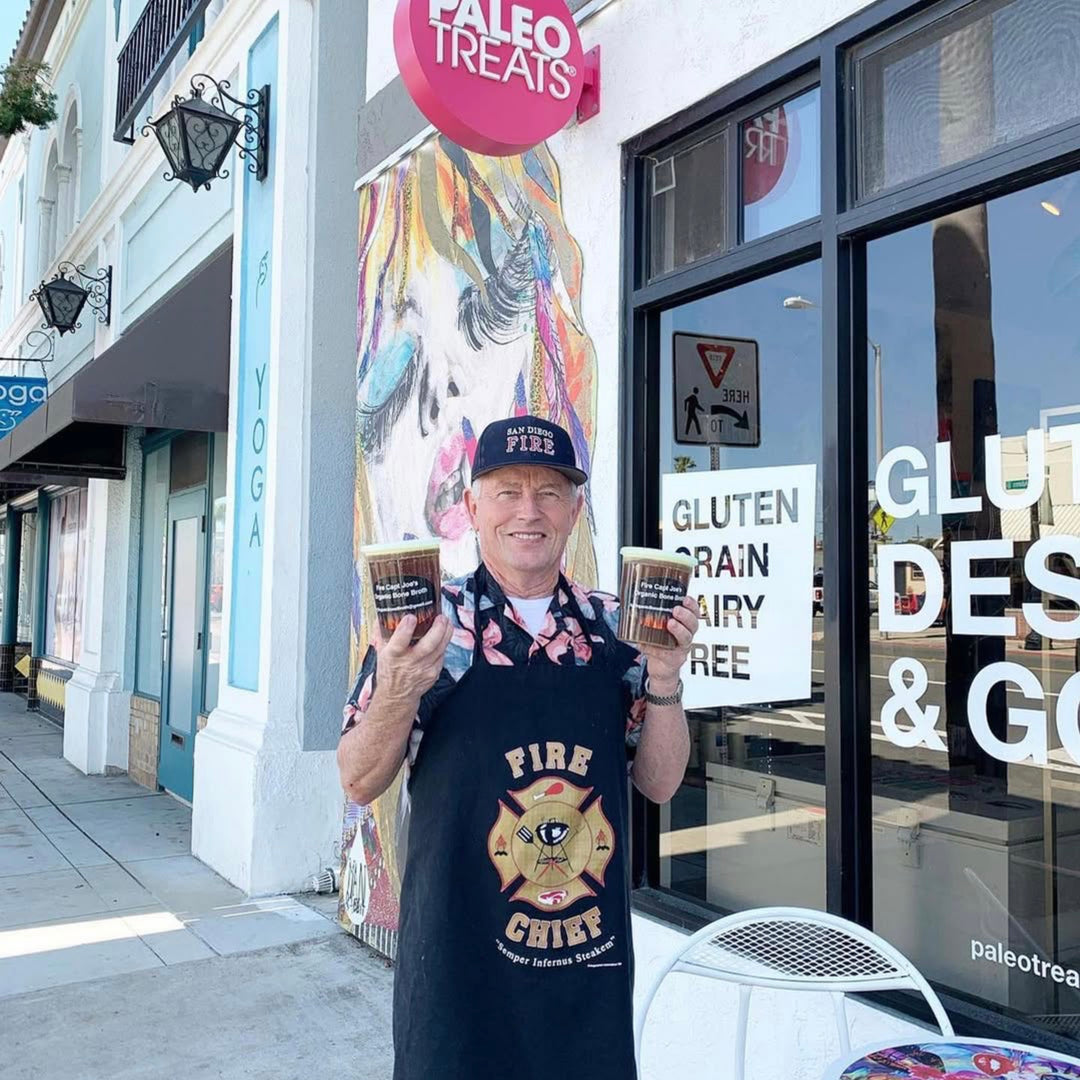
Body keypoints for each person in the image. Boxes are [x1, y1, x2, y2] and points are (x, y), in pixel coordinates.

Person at [338, 414, 699, 1080]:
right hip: (456, 971)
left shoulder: (616, 629)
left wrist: (667, 678)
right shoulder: (427, 626)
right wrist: (397, 690)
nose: (528, 511)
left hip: (584, 973)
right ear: (472, 508)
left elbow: (661, 782)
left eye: (549, 492)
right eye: (507, 491)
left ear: (574, 511)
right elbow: (359, 780)